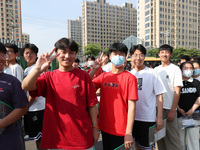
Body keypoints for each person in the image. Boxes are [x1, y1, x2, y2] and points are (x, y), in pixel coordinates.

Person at [22, 37, 99, 150]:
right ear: (57, 54)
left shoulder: (83, 76)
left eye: (71, 53)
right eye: (63, 52)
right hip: (57, 139)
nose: (67, 56)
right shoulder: (49, 77)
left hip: (82, 137)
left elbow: (91, 105)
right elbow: (25, 86)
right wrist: (38, 69)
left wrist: (95, 128)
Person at [89, 42, 138, 149]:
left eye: (121, 54)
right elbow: (86, 85)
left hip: (121, 130)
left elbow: (132, 106)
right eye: (115, 54)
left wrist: (128, 132)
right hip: (104, 127)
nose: (118, 57)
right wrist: (94, 69)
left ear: (126, 57)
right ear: (109, 56)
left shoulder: (130, 78)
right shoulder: (104, 76)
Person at [130, 44, 166, 150]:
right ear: (131, 57)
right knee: (136, 145)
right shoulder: (130, 74)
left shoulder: (152, 73)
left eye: (141, 55)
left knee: (147, 146)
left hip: (147, 118)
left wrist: (159, 117)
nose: (138, 58)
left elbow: (159, 95)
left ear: (144, 57)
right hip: (132, 118)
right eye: (135, 55)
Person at [0, 42, 28, 150]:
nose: (2, 59)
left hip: (8, 141)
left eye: (3, 55)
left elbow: (22, 108)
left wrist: (1, 124)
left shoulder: (12, 81)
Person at [154, 44, 183, 150]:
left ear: (170, 54)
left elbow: (177, 91)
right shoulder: (155, 70)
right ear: (159, 54)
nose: (164, 54)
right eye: (162, 52)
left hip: (168, 108)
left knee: (173, 140)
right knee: (159, 139)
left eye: (167, 52)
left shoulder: (175, 69)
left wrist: (172, 110)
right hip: (156, 109)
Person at [23, 43, 46, 150]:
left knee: (40, 138)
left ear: (36, 55)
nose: (29, 55)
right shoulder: (27, 70)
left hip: (37, 108)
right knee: (38, 138)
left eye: (32, 53)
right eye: (26, 53)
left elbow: (34, 92)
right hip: (32, 108)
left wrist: (27, 106)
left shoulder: (35, 69)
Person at [177, 61, 200, 150]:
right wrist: (178, 109)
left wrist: (192, 109)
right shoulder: (177, 83)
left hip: (194, 116)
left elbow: (199, 97)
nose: (189, 70)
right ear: (181, 70)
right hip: (180, 116)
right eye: (186, 68)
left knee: (193, 140)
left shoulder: (196, 82)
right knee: (180, 140)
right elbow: (173, 98)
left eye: (191, 68)